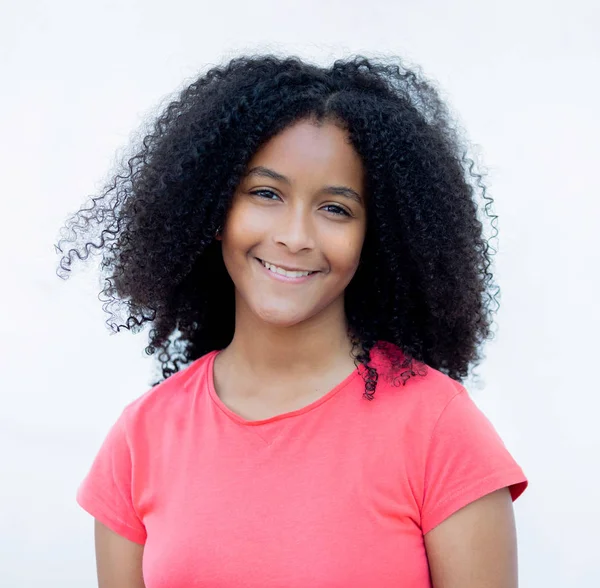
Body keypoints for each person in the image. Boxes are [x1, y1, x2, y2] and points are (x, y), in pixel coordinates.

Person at [56, 54, 528, 588]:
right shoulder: (139, 440)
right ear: (213, 211)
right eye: (265, 194)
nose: (295, 235)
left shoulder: (440, 430)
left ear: (377, 238)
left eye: (336, 209)